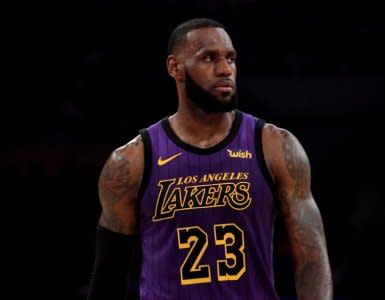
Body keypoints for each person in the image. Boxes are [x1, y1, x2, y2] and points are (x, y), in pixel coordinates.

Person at [87, 17, 333, 300]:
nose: (225, 69)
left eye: (230, 58)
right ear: (175, 68)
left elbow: (312, 257)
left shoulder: (275, 146)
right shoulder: (131, 162)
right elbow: (108, 278)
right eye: (209, 58)